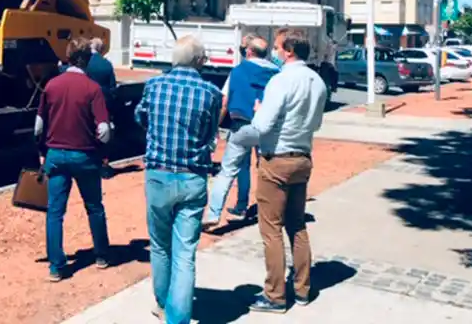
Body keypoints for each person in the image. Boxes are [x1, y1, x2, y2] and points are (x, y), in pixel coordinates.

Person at [228, 28, 327, 313]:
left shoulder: (281, 81)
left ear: (288, 51)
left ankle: (275, 294)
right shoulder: (318, 82)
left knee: (271, 229)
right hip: (302, 157)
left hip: (276, 158)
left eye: (277, 47)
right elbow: (317, 124)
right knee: (297, 225)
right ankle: (303, 287)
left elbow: (262, 126)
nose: (274, 51)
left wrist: (258, 111)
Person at [134, 35, 223, 324]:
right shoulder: (210, 92)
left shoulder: (154, 85)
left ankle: (162, 303)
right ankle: (178, 318)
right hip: (192, 176)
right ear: (199, 60)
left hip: (159, 174)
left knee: (160, 245)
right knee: (185, 252)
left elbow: (140, 117)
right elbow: (210, 132)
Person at [35, 37, 112, 282]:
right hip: (85, 156)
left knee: (55, 212)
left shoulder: (51, 86)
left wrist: (42, 151)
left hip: (56, 156)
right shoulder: (93, 89)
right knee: (94, 207)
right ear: (86, 60)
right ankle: (101, 255)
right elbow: (103, 131)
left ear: (68, 58)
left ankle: (57, 267)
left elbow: (38, 127)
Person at [204, 33, 279, 227]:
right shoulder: (277, 73)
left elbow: (224, 101)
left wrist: (215, 128)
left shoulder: (238, 71)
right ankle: (269, 210)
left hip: (241, 126)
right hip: (268, 128)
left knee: (230, 170)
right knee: (266, 170)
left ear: (250, 51)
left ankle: (216, 213)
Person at [88, 37, 118, 178]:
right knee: (105, 134)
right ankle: (104, 165)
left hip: (87, 103)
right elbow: (113, 87)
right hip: (104, 103)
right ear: (101, 49)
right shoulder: (106, 64)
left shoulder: (85, 62)